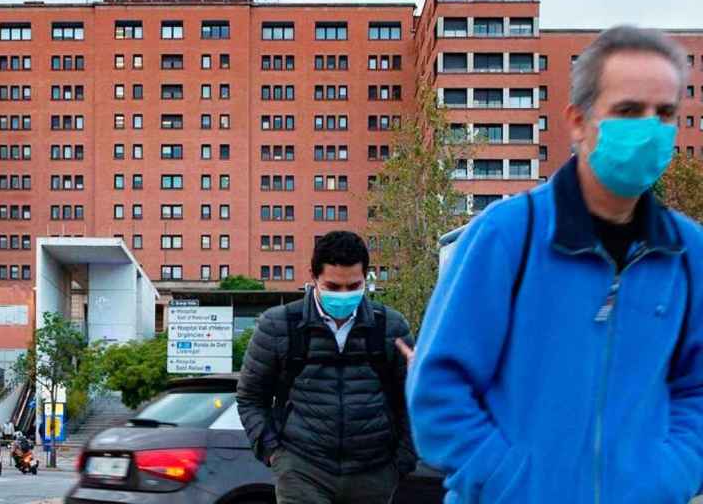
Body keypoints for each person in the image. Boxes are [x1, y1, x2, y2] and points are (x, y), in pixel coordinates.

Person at [407, 25, 703, 503]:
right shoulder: (507, 236)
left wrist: (671, 475)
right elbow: (438, 390)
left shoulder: (689, 253)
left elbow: (697, 389)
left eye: (664, 113)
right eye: (628, 110)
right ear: (579, 122)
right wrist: (507, 478)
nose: (649, 128)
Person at [237, 231, 416, 504]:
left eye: (353, 286)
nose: (344, 296)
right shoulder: (279, 325)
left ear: (365, 278)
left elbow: (411, 402)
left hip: (374, 472)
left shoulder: (390, 327)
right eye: (333, 287)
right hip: (302, 469)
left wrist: (402, 460)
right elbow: (251, 397)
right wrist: (273, 453)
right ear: (313, 277)